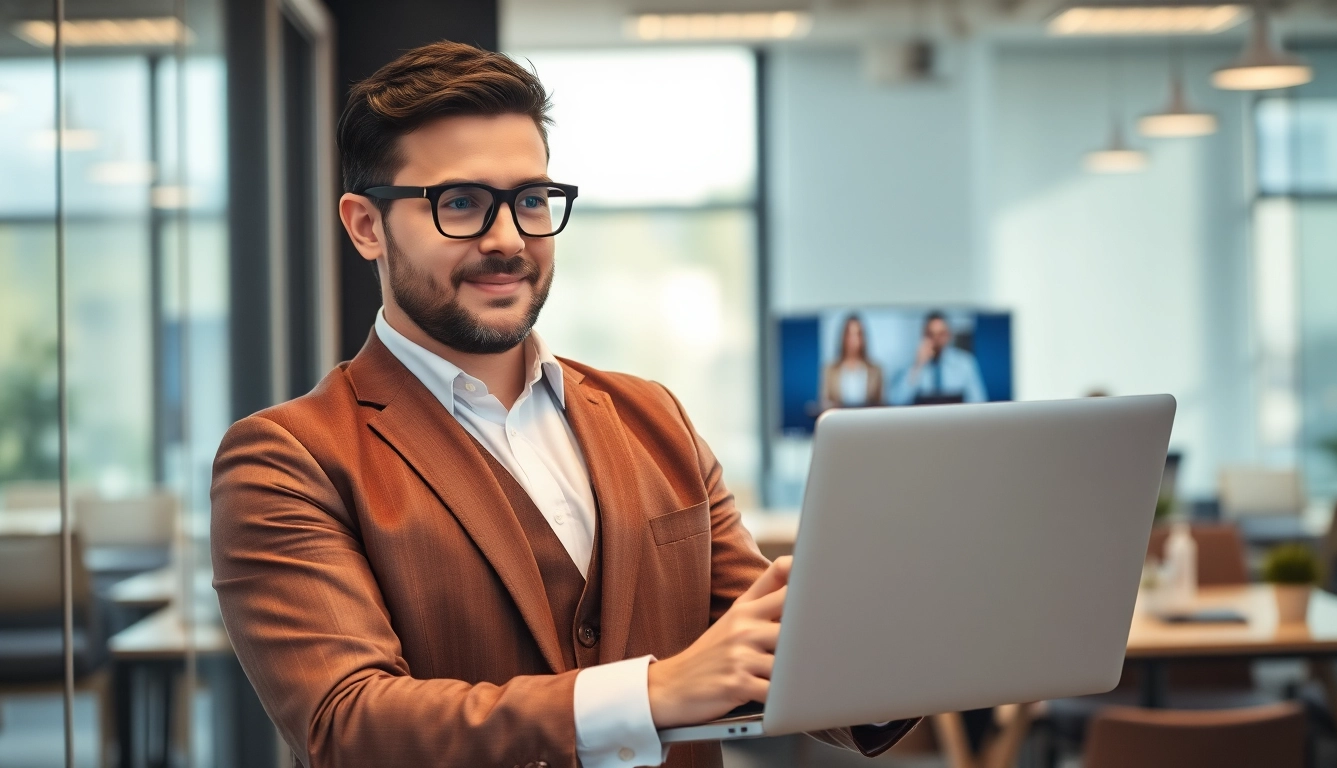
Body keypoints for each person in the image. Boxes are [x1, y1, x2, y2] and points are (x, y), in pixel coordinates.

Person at [209, 42, 915, 768]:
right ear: (365, 226)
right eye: (460, 204)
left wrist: (913, 642)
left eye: (531, 200)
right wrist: (652, 691)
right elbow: (348, 725)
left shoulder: (653, 417)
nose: (509, 238)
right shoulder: (287, 459)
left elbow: (761, 653)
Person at [888, 310, 987, 406]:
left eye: (941, 334)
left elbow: (979, 402)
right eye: (931, 335)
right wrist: (917, 367)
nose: (936, 340)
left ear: (949, 335)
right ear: (923, 336)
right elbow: (896, 401)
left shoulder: (965, 363)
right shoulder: (913, 365)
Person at [820, 314, 884, 408]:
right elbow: (824, 403)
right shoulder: (830, 370)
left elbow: (882, 404)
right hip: (838, 421)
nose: (854, 340)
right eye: (850, 334)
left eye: (858, 334)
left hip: (868, 420)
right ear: (843, 337)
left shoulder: (876, 370)